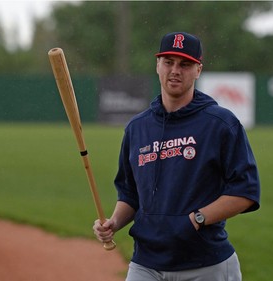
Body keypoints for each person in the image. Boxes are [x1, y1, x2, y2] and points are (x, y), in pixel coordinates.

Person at [93, 31, 260, 281]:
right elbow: (130, 193)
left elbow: (245, 191)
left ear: (198, 70)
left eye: (185, 64)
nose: (175, 70)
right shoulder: (137, 128)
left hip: (205, 264)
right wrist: (114, 223)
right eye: (168, 62)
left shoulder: (220, 124)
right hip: (146, 263)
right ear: (157, 65)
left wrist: (196, 219)